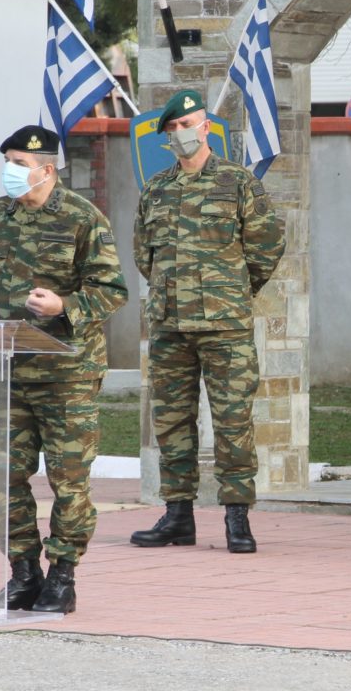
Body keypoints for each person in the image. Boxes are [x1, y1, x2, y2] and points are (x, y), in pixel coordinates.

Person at [0, 125, 128, 614]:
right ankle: (23, 573)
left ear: (48, 169)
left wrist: (64, 304)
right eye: (7, 162)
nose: (10, 172)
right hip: (10, 371)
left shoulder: (81, 218)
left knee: (68, 480)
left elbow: (112, 290)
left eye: (20, 165)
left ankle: (62, 577)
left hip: (67, 372)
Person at [130, 89, 285, 554]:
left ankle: (237, 518)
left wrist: (232, 292)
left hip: (225, 327)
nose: (181, 133)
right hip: (170, 325)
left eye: (189, 124)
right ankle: (178, 515)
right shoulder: (156, 188)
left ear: (207, 127)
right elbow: (144, 254)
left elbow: (267, 247)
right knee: (172, 422)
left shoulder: (239, 183)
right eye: (173, 128)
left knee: (233, 421)